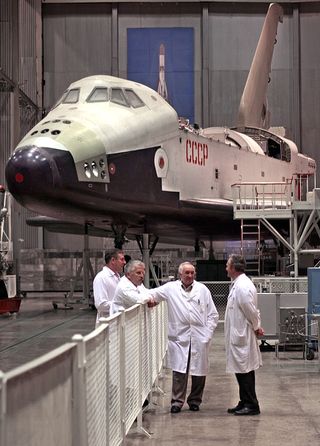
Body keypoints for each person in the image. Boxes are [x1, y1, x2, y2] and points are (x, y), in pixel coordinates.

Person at [149, 262, 219, 413]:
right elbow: (152, 294)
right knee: (179, 371)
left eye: (192, 273)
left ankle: (195, 401)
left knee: (199, 372)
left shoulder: (202, 290)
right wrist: (149, 300)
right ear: (180, 274)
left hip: (200, 336)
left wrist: (208, 333)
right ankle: (177, 402)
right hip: (179, 336)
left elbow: (213, 314)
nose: (190, 275)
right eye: (187, 273)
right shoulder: (170, 288)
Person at [225, 254, 264, 416]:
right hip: (238, 335)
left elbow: (250, 310)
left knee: (245, 371)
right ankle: (244, 401)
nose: (226, 268)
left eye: (227, 265)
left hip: (243, 335)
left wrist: (257, 327)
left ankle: (252, 404)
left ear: (233, 267)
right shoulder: (238, 284)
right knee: (241, 370)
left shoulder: (242, 286)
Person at [93, 249, 126, 326]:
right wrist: (122, 304)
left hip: (116, 321)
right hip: (106, 323)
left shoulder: (117, 276)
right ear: (113, 260)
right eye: (122, 259)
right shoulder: (101, 278)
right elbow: (101, 305)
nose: (124, 262)